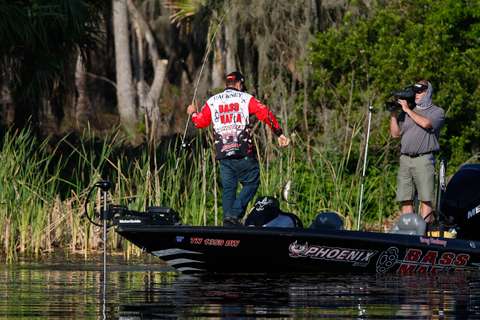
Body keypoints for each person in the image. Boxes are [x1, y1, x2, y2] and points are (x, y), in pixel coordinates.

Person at [186, 71, 290, 226]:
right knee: (252, 183)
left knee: (229, 189)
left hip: (223, 154)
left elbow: (200, 122)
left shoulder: (213, 101)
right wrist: (279, 133)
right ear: (240, 84)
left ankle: (229, 224)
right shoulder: (245, 98)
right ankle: (234, 215)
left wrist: (193, 113)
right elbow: (265, 113)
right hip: (243, 152)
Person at [389, 79, 445, 223]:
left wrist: (407, 109)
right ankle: (409, 232)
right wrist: (394, 114)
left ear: (428, 92)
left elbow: (426, 123)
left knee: (425, 199)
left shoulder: (437, 111)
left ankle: (423, 234)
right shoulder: (409, 111)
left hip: (423, 159)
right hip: (405, 159)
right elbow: (395, 134)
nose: (417, 94)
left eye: (421, 91)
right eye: (416, 91)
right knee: (405, 198)